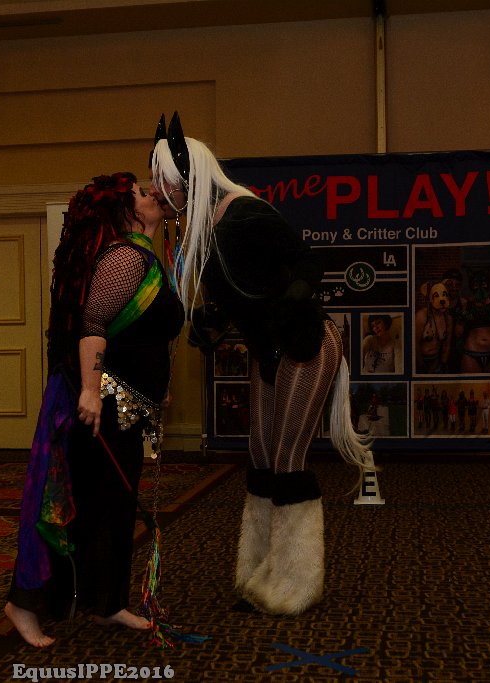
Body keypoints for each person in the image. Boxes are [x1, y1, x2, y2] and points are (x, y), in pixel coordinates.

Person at [149, 112, 373, 616]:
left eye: (163, 180)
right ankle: (259, 572)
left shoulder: (245, 214)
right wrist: (212, 320)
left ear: (187, 178)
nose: (157, 190)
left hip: (303, 344)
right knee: (261, 454)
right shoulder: (206, 227)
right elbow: (241, 291)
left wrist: (292, 301)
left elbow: (307, 260)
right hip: (267, 348)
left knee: (288, 458)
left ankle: (295, 583)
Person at [5, 172, 184, 647]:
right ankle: (24, 603)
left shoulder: (144, 256)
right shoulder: (124, 256)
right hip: (103, 405)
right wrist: (88, 389)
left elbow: (147, 333)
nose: (153, 194)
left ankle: (106, 602)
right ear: (124, 212)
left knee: (114, 508)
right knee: (72, 505)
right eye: (142, 193)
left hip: (129, 405)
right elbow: (93, 324)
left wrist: (160, 386)